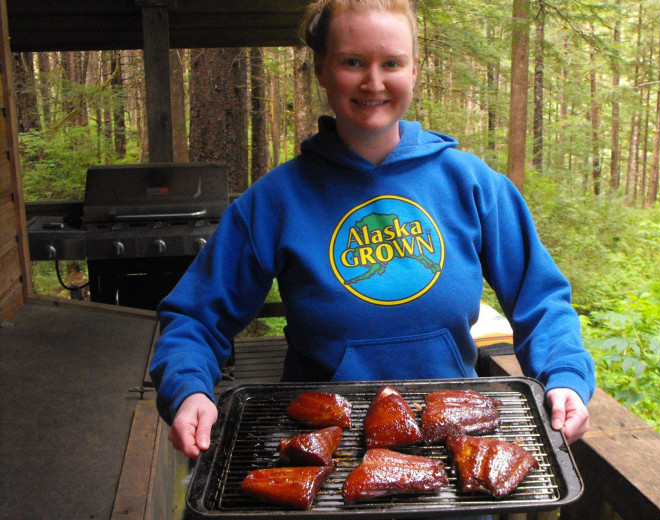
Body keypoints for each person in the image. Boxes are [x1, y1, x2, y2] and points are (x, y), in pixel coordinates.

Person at [150, 0, 595, 463]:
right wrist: (188, 390)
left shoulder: (473, 185)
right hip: (322, 454)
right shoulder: (275, 201)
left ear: (415, 70)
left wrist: (564, 375)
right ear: (322, 70)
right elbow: (195, 318)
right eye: (353, 62)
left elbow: (541, 299)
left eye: (392, 63)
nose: (374, 82)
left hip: (453, 448)